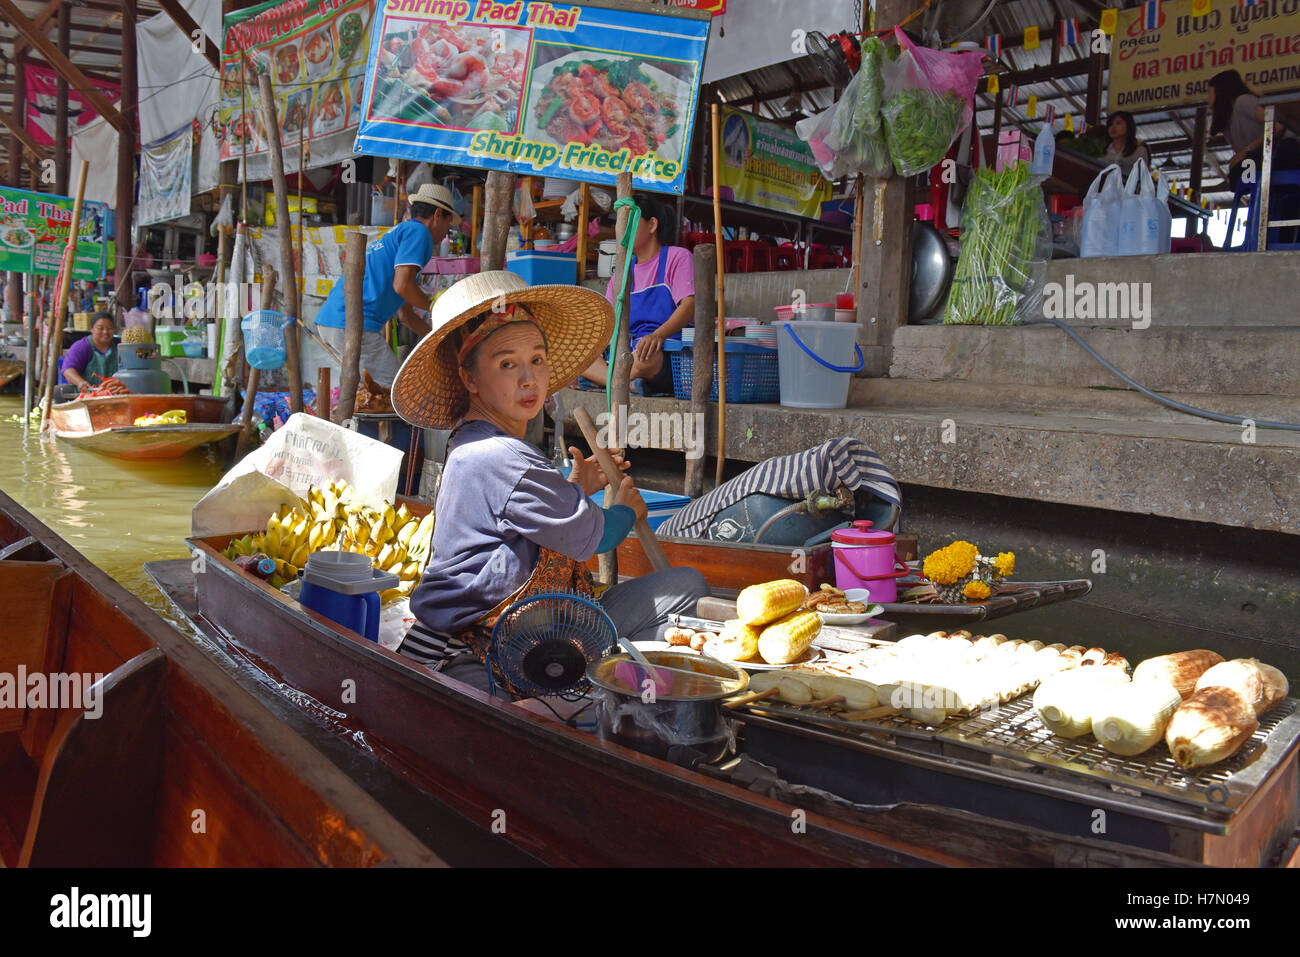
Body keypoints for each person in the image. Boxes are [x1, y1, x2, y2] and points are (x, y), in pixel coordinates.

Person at [390, 271, 711, 697]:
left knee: (686, 585)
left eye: (537, 360)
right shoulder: (501, 456)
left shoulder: (472, 442)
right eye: (507, 364)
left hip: (535, 625)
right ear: (470, 379)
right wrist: (625, 510)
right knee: (687, 589)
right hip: (481, 645)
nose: (529, 379)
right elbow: (595, 537)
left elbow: (523, 515)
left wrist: (579, 488)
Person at [313, 183, 459, 387]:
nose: (446, 233)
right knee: (399, 394)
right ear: (437, 214)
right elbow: (402, 286)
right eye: (448, 223)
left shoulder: (400, 232)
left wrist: (436, 338)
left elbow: (405, 315)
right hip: (350, 324)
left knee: (369, 390)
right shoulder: (419, 233)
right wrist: (436, 306)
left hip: (333, 321)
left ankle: (353, 419)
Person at [579, 194, 695, 396]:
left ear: (652, 225)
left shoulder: (677, 257)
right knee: (578, 352)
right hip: (626, 356)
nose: (622, 229)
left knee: (646, 358)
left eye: (629, 221)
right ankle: (622, 382)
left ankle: (610, 381)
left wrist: (657, 335)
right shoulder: (621, 275)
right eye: (620, 223)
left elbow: (688, 305)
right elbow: (609, 323)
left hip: (668, 355)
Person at [1208, 69, 1300, 190]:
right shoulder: (1225, 125)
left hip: (1283, 152)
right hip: (1261, 159)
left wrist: (1248, 149)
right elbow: (1240, 155)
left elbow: (1276, 127)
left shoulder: (1243, 102)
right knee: (1235, 178)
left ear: (1220, 91)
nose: (1207, 97)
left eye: (1209, 92)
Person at [59, 312, 127, 394]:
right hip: (87, 395)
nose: (105, 332)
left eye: (109, 328)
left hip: (116, 394)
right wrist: (81, 383)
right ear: (91, 329)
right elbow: (68, 370)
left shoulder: (121, 345)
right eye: (100, 328)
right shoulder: (82, 347)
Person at [1102, 112, 1152, 179]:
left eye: (1118, 123)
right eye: (1110, 124)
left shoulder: (1139, 151)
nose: (1113, 127)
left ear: (1128, 125)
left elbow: (1142, 177)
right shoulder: (1103, 151)